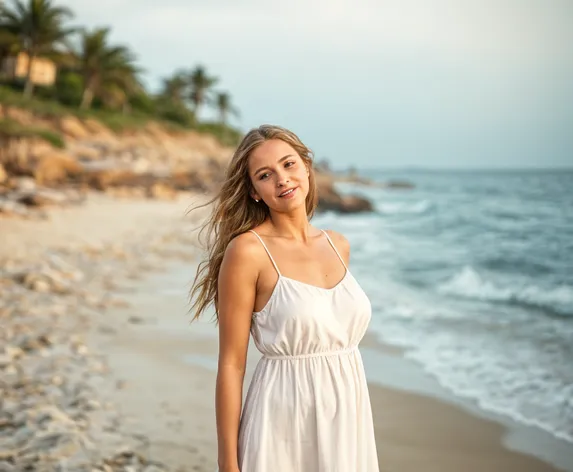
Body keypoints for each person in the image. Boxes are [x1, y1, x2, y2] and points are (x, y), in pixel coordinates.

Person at [189, 125, 379, 472]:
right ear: (255, 192)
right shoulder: (247, 252)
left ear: (307, 167)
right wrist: (227, 464)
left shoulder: (338, 245)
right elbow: (232, 365)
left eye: (289, 164)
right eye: (265, 174)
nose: (282, 179)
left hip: (348, 417)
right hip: (282, 422)